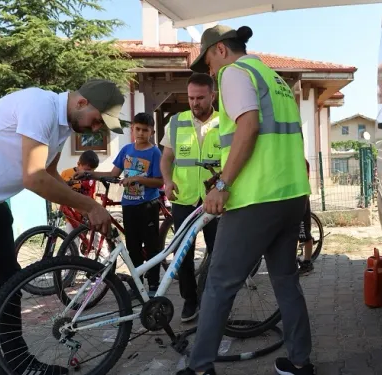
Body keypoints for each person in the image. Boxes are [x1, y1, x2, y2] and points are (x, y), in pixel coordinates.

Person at [181, 24, 315, 375]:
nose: (209, 71)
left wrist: (223, 183)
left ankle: (200, 367)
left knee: (219, 284)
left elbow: (249, 127)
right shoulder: (275, 80)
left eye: (208, 61)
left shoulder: (234, 74)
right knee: (286, 281)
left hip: (256, 199)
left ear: (221, 50)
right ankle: (300, 362)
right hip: (291, 196)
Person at [0, 79, 122, 374]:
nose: (96, 129)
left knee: (8, 286)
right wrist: (90, 206)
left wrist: (77, 202)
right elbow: (33, 177)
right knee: (8, 286)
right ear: (81, 102)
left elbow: (51, 172)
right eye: (97, 121)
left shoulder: (64, 125)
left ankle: (18, 364)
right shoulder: (38, 106)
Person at [79, 112, 163, 297]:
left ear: (152, 132)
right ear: (132, 129)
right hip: (129, 205)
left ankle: (154, 285)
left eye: (145, 130)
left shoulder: (154, 152)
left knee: (151, 246)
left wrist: (137, 179)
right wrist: (89, 174)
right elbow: (113, 173)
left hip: (148, 205)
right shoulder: (126, 150)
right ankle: (138, 286)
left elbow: (159, 181)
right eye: (137, 129)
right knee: (132, 247)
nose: (140, 133)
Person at [159, 72, 220, 322]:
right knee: (183, 254)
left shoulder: (226, 122)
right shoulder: (176, 122)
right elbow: (166, 158)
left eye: (200, 98)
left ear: (212, 96)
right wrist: (167, 180)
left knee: (218, 253)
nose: (195, 103)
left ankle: (213, 300)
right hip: (184, 198)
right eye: (191, 97)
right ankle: (189, 300)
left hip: (216, 199)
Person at [60, 150, 100, 233]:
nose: (89, 173)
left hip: (88, 213)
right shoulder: (66, 173)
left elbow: (92, 194)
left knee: (95, 237)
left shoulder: (92, 176)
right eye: (87, 170)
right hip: (72, 214)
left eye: (92, 171)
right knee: (71, 240)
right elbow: (60, 189)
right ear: (78, 164)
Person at [298, 158, 314, 275]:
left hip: (301, 197)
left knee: (304, 232)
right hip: (292, 199)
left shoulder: (301, 161)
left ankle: (307, 262)